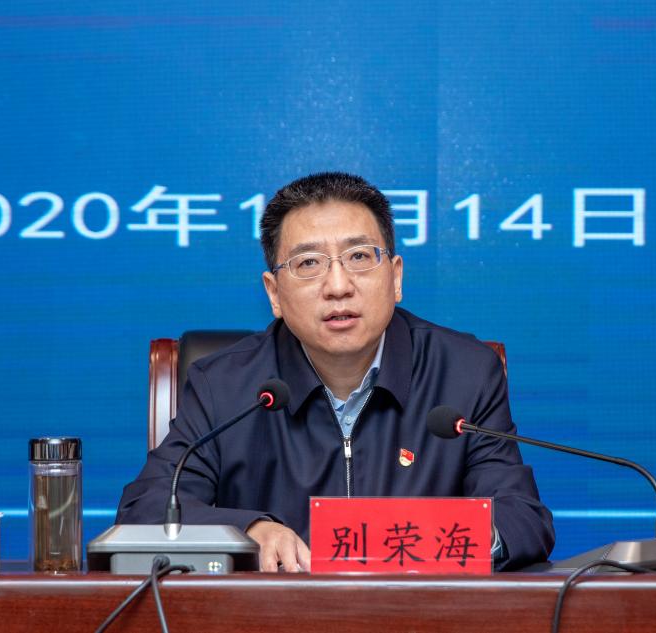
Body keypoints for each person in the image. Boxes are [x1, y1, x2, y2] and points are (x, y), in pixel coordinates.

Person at [116, 172, 554, 571]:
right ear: (274, 293)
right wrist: (247, 531)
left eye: (359, 256)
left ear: (396, 278)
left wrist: (424, 540)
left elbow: (521, 518)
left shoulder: (464, 372)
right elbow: (146, 509)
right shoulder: (225, 385)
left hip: (420, 614)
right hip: (273, 618)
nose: (339, 286)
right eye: (309, 263)